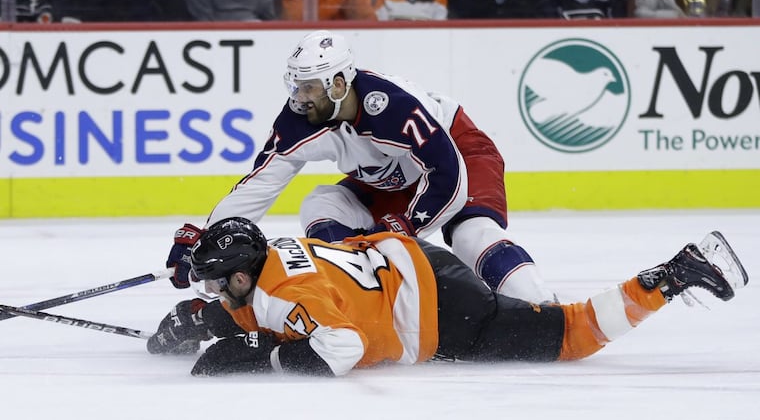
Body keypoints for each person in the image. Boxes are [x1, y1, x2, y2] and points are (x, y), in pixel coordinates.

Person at [164, 29, 556, 306]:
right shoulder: (299, 119)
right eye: (296, 87)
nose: (300, 99)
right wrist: (204, 241)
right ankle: (366, 296)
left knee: (471, 233)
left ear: (338, 84)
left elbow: (445, 173)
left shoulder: (393, 107)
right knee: (320, 205)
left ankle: (544, 308)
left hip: (459, 155)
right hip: (391, 178)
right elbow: (260, 182)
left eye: (309, 87)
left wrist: (406, 226)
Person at [148, 217, 748, 376]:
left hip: (438, 313)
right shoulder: (271, 254)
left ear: (242, 276)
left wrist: (259, 351)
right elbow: (276, 304)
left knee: (571, 335)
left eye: (215, 284)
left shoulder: (279, 293)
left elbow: (341, 349)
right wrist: (210, 318)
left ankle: (677, 274)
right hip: (416, 263)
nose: (214, 293)